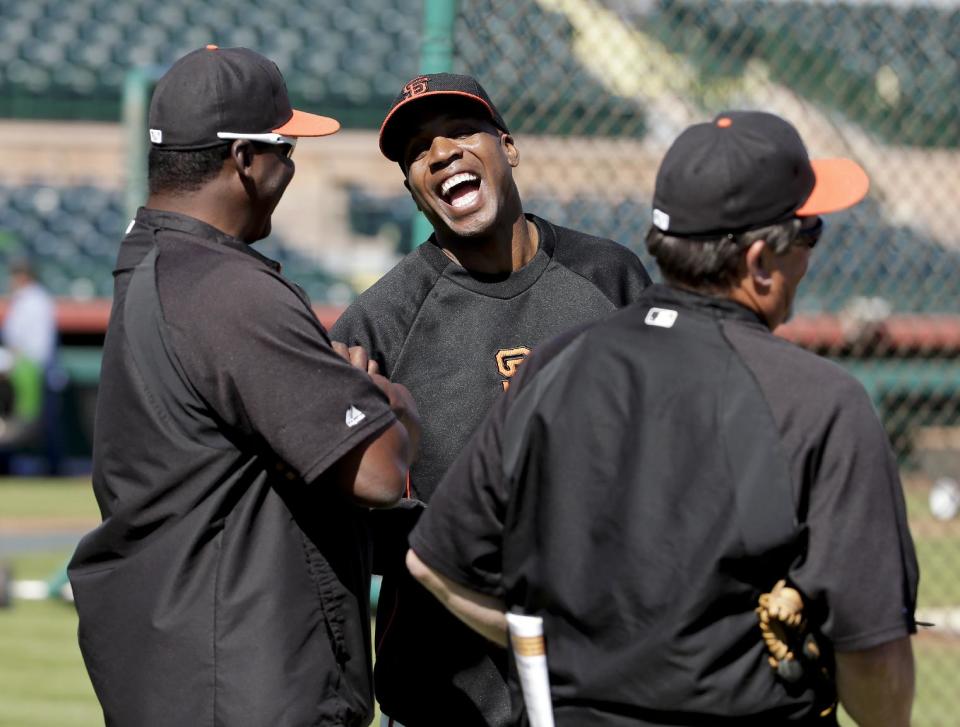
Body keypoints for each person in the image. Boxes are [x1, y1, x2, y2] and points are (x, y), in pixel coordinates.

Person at [407, 111, 919, 726]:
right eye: (808, 231)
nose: (809, 252)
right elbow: (880, 691)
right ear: (759, 261)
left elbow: (433, 564)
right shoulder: (820, 402)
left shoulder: (554, 367)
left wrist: (569, 649)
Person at [67, 46, 421, 727]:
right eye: (285, 149)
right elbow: (380, 471)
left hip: (180, 667)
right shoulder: (226, 287)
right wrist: (389, 398)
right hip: (247, 682)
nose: (289, 168)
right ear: (244, 161)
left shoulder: (151, 259)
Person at [331, 73, 652, 726]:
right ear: (412, 187)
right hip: (448, 694)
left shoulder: (610, 278)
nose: (441, 152)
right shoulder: (377, 325)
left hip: (600, 681)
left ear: (507, 147)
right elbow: (344, 524)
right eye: (419, 150)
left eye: (458, 131)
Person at [0, 258, 60, 472]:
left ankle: (54, 469)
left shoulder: (36, 300)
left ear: (23, 276)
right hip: (22, 369)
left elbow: (37, 345)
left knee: (40, 424)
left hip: (35, 370)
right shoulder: (23, 300)